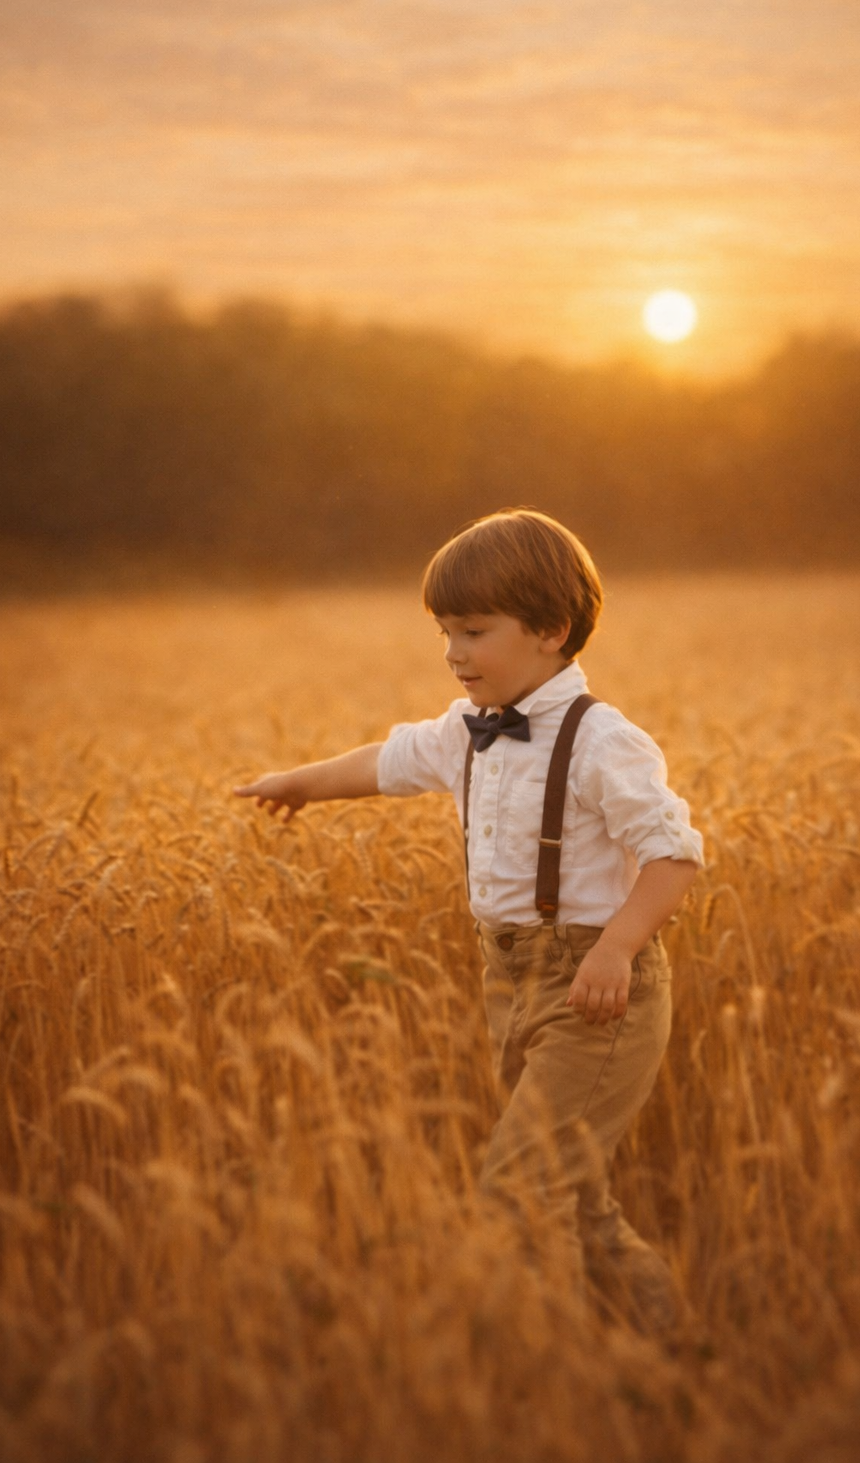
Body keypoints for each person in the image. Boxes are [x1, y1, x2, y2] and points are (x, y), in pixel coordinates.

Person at [234, 508, 703, 1332]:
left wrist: (619, 950)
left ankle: (543, 1364)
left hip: (597, 996)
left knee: (520, 1190)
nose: (453, 653)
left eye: (474, 631)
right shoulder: (465, 732)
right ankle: (666, 1347)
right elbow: (385, 762)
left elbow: (674, 855)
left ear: (551, 631)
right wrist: (297, 781)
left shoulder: (603, 743)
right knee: (576, 1203)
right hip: (511, 984)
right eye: (445, 632)